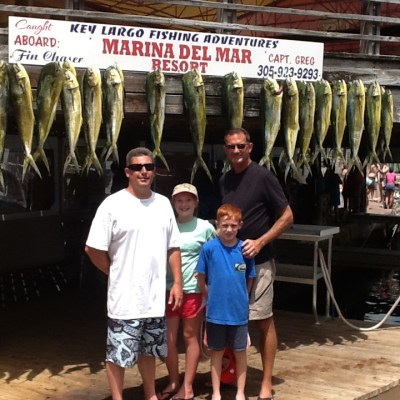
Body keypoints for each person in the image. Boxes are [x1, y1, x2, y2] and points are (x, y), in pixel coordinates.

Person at [85, 147, 183, 400]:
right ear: (128, 172)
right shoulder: (112, 204)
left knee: (148, 351)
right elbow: (93, 248)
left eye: (149, 167)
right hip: (124, 300)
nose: (144, 172)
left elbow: (173, 246)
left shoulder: (163, 204)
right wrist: (114, 271)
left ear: (154, 171)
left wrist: (178, 283)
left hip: (153, 299)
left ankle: (150, 395)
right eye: (138, 167)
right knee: (117, 354)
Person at [220, 128, 294, 400]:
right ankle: (230, 374)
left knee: (262, 320)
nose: (236, 151)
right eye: (231, 147)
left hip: (259, 263)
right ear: (225, 149)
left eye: (241, 146)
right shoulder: (225, 180)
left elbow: (287, 217)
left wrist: (261, 242)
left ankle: (265, 383)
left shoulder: (264, 176)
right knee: (229, 322)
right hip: (231, 265)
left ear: (250, 147)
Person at [158, 183, 216, 400]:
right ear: (173, 204)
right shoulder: (166, 225)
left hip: (193, 291)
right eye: (180, 200)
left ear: (196, 203)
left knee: (190, 337)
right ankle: (173, 380)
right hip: (167, 289)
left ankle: (188, 386)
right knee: (168, 339)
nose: (184, 204)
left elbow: (214, 256)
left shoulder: (205, 227)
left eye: (188, 200)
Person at [196, 203, 256, 400]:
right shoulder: (209, 248)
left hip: (239, 314)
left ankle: (240, 392)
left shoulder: (245, 250)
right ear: (217, 225)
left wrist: (243, 297)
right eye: (224, 225)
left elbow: (250, 277)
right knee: (216, 353)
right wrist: (210, 296)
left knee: (240, 353)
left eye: (233, 225)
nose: (229, 229)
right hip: (216, 313)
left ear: (240, 225)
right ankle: (215, 392)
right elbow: (201, 278)